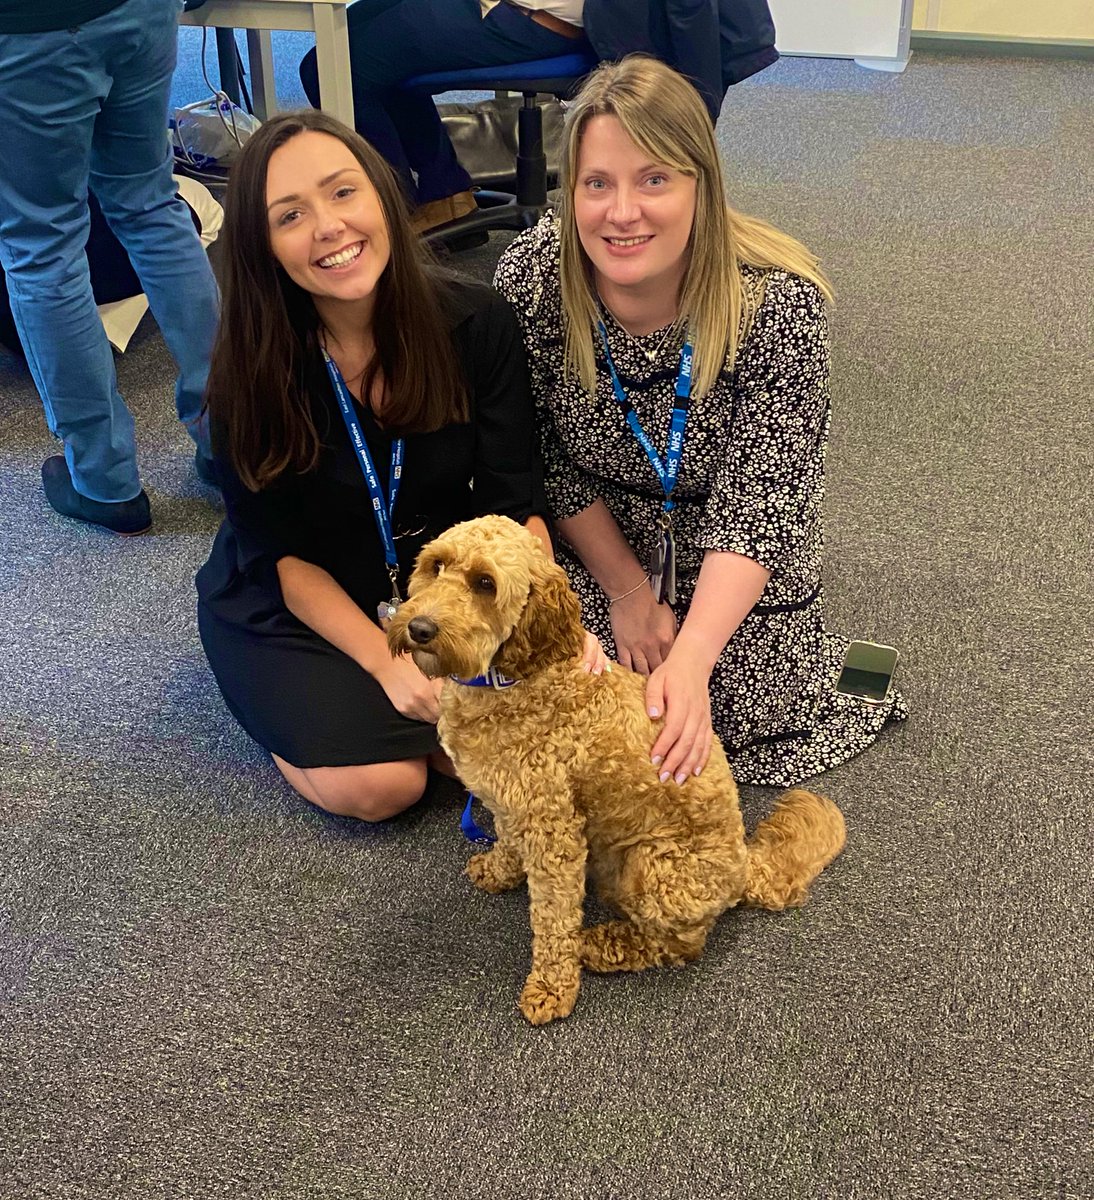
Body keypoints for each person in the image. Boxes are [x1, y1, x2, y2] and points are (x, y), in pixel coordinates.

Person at [493, 56, 907, 792]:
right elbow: (546, 460)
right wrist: (625, 593)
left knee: (723, 705)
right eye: (598, 183)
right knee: (553, 671)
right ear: (572, 191)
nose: (623, 212)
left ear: (700, 186)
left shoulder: (779, 307)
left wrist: (690, 657)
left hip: (733, 552)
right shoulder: (531, 280)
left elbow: (763, 503)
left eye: (654, 179)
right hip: (599, 538)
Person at [196, 109, 599, 823]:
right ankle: (295, 712)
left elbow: (514, 500)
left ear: (383, 195)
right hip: (298, 595)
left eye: (343, 192)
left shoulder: (477, 323)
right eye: (290, 214)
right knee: (384, 788)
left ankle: (437, 730)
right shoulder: (246, 377)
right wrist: (385, 667)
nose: (328, 226)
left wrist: (542, 618)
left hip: (435, 583)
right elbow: (282, 556)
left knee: (562, 722)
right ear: (262, 246)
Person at [0, 0, 221, 535]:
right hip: (139, 12)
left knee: (43, 247)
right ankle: (232, 439)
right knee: (150, 205)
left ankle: (104, 481)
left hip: (31, 27)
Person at [300, 2, 778, 235]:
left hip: (541, 13)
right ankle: (441, 190)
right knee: (360, 27)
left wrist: (693, 105)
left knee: (333, 61)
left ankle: (388, 220)